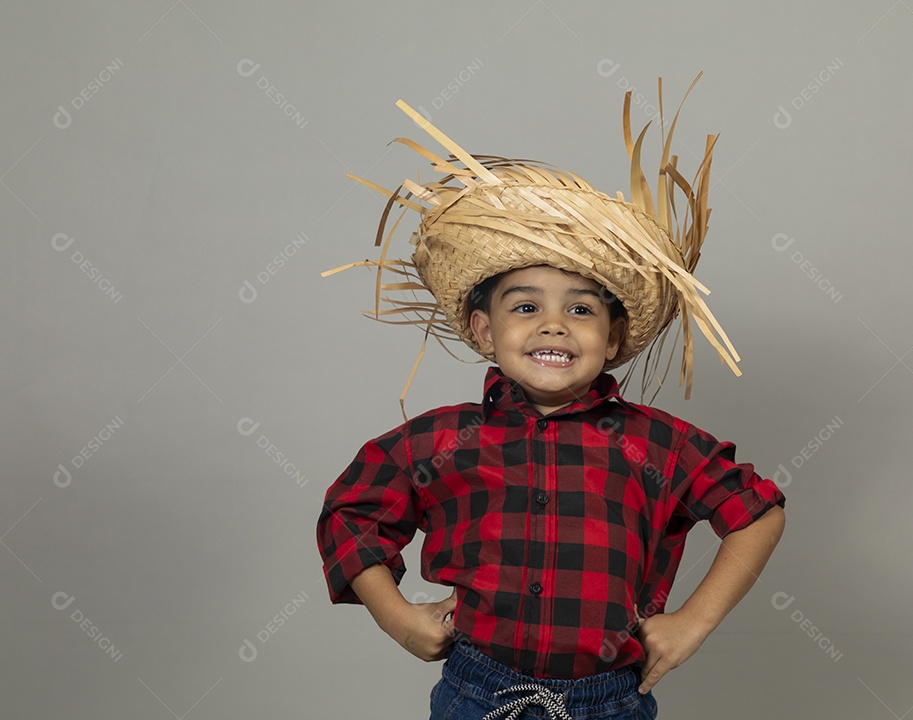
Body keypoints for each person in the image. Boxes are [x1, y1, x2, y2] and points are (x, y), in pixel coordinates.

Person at [317, 74, 787, 719]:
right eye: (526, 306)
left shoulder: (658, 443)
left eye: (582, 309)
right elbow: (352, 513)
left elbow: (756, 512)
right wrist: (395, 617)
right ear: (485, 331)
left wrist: (694, 622)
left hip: (609, 701)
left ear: (613, 335)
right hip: (478, 694)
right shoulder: (439, 440)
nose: (554, 324)